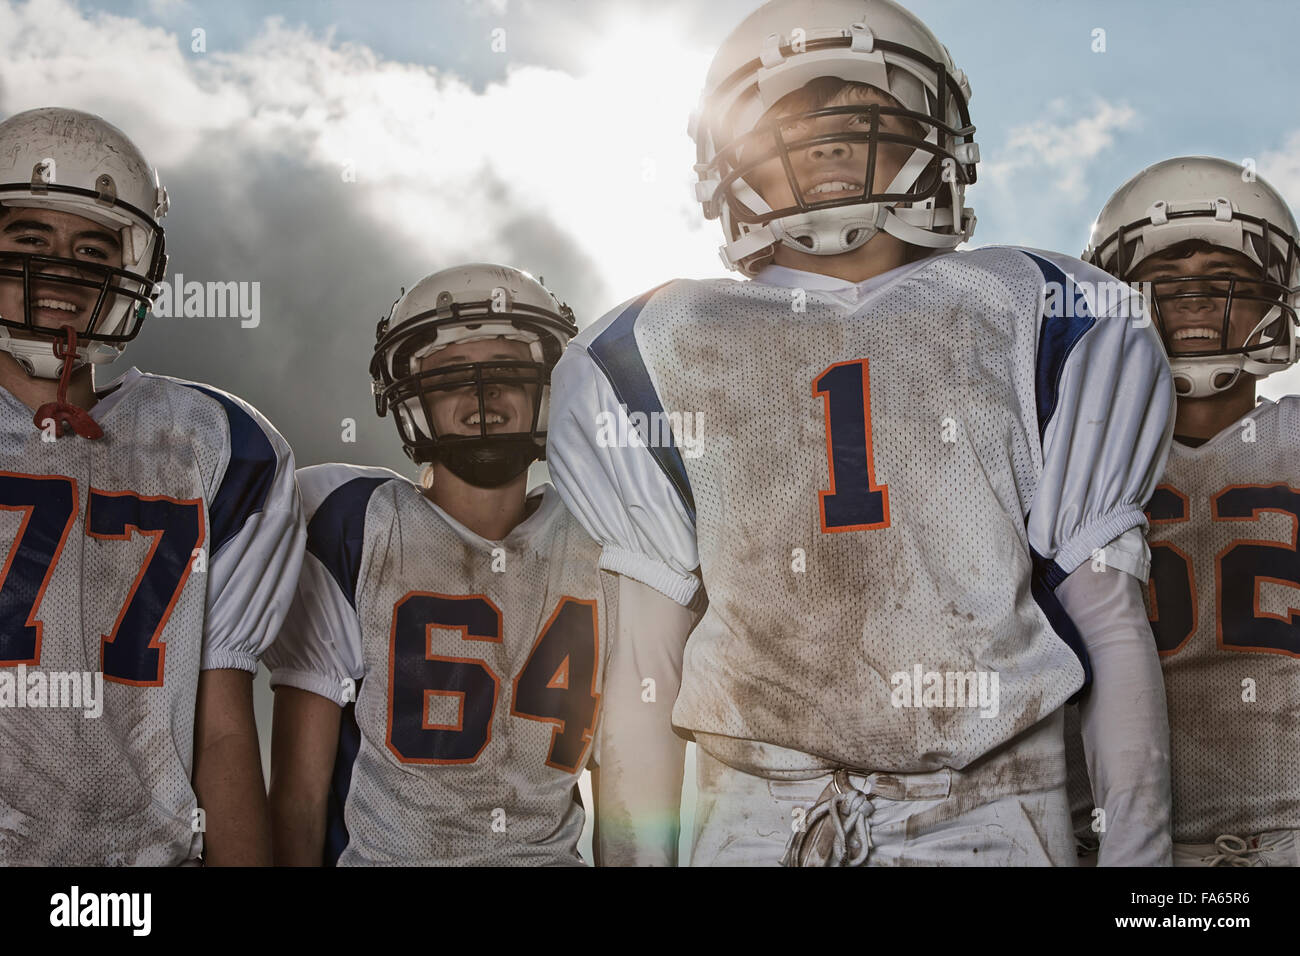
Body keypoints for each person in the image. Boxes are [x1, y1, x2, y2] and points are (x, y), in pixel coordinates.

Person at [546, 0, 1175, 866]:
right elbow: (646, 667)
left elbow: (1109, 623)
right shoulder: (649, 345)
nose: (831, 144)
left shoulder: (1042, 309)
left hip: (990, 805)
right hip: (757, 815)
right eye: (792, 124)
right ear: (728, 162)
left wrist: (1142, 875)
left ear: (938, 137)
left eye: (865, 118)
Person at [0, 107, 303, 865]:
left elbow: (223, 728)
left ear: (135, 268)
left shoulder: (220, 446)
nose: (64, 268)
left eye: (93, 248)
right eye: (32, 241)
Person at [265, 263, 615, 866]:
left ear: (548, 391)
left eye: (508, 374)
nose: (485, 398)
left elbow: (626, 776)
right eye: (452, 377)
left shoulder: (605, 536)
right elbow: (299, 798)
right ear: (411, 397)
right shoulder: (355, 524)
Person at [1068, 155, 1300, 866]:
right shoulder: (1061, 458)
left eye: (1227, 284)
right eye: (1165, 286)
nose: (1197, 303)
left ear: (1275, 300)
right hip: (1106, 845)